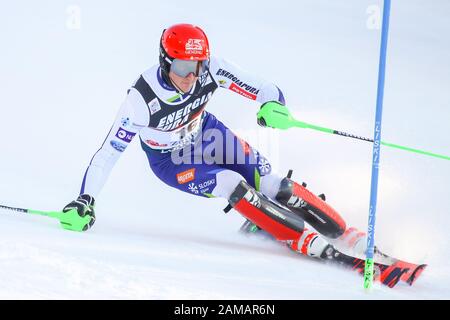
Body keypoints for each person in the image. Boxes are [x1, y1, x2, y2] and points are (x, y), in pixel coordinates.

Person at [62, 23, 369, 261]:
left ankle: (343, 232)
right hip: (170, 160)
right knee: (231, 184)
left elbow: (264, 87)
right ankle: (297, 236)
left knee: (274, 184)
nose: (191, 77)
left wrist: (272, 105)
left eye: (197, 67)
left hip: (207, 134)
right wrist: (85, 199)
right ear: (164, 61)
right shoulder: (141, 99)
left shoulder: (211, 70)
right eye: (182, 67)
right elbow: (108, 154)